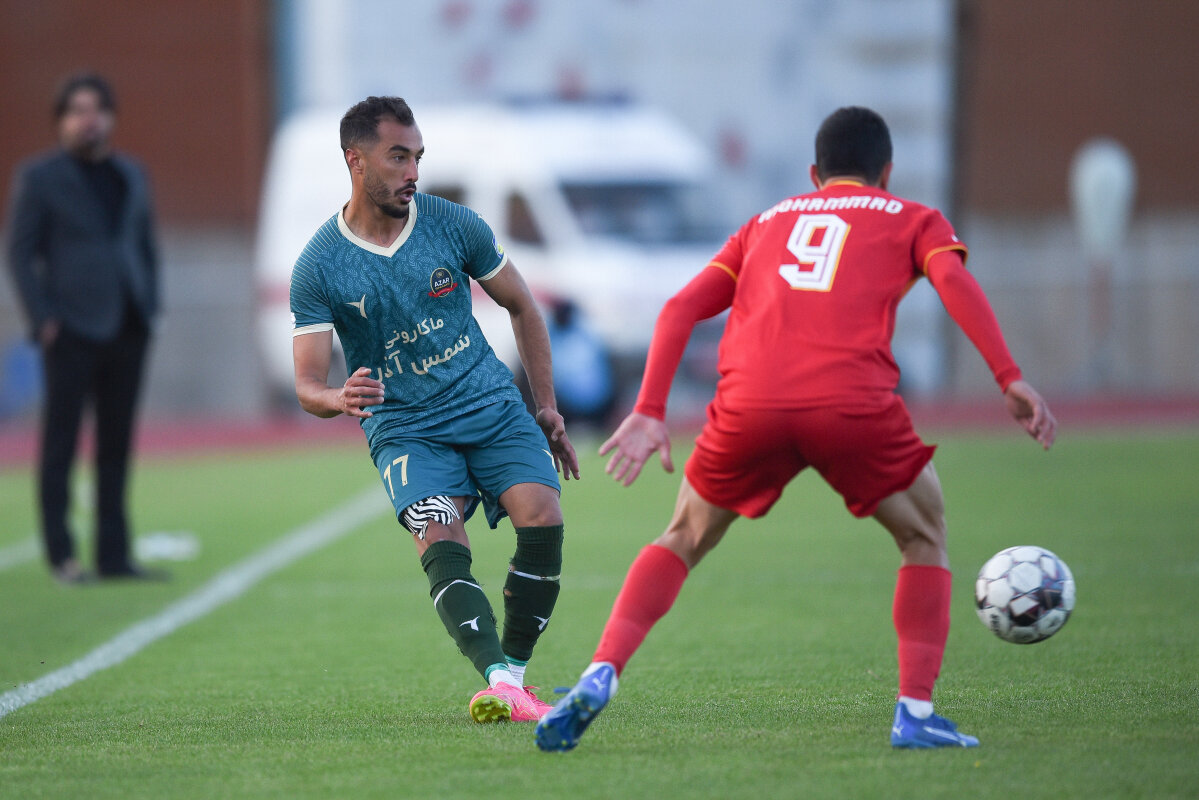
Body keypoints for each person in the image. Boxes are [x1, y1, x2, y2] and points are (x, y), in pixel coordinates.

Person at [536, 106, 1057, 752]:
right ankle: (915, 712)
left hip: (749, 403)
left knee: (683, 536)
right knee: (924, 534)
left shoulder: (764, 224)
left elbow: (679, 308)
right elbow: (952, 280)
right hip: (850, 403)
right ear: (886, 173)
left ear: (815, 175)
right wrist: (1008, 377)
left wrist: (648, 409)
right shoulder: (913, 218)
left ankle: (600, 672)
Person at [290, 96, 580, 724]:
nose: (413, 172)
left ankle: (513, 678)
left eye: (418, 157)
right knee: (439, 530)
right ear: (356, 161)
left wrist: (547, 406)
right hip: (406, 427)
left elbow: (523, 305)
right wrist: (338, 398)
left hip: (488, 400)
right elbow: (307, 384)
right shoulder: (318, 265)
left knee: (542, 514)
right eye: (398, 157)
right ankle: (498, 677)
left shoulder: (453, 224)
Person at [5, 73, 161, 584]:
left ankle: (113, 556)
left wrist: (151, 305)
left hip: (128, 324)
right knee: (61, 445)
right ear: (61, 120)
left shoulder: (131, 173)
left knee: (116, 446)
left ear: (110, 117)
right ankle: (62, 556)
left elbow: (143, 244)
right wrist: (43, 318)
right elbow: (19, 253)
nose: (87, 119)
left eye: (96, 109)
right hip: (70, 328)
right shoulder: (39, 177)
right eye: (76, 110)